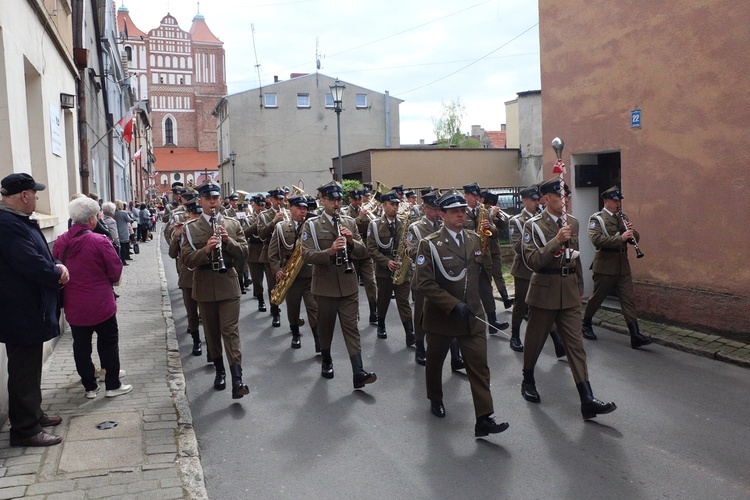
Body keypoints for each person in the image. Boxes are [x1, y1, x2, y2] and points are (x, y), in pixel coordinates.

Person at [520, 176, 616, 420]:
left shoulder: (572, 222)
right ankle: (528, 379)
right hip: (544, 290)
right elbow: (533, 261)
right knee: (535, 341)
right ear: (546, 199)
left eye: (568, 196)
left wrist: (580, 290)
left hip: (569, 291)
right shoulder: (533, 226)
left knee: (576, 345)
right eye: (559, 196)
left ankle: (587, 398)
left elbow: (576, 259)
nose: (565, 201)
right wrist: (556, 241)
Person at [414, 189, 509, 437]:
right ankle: (435, 397)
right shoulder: (430, 243)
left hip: (472, 317)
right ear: (442, 214)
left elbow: (481, 274)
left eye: (463, 210)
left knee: (479, 366)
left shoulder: (474, 239)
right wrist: (452, 304)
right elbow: (423, 284)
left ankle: (484, 418)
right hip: (442, 317)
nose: (460, 214)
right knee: (435, 363)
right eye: (454, 211)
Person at [0, 173, 66, 447]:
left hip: (28, 310)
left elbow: (41, 255)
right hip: (20, 311)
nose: (37, 198)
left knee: (30, 368)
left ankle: (34, 414)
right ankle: (25, 429)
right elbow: (30, 262)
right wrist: (56, 273)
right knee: (23, 372)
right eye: (35, 194)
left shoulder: (17, 221)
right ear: (24, 195)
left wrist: (56, 265)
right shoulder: (7, 224)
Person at [53, 196, 132, 400]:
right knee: (108, 342)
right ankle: (112, 384)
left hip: (74, 304)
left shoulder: (61, 241)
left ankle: (89, 386)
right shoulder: (99, 240)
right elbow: (115, 270)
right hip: (101, 303)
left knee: (81, 346)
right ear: (91, 220)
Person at [300, 181, 377, 390]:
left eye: (338, 200)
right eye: (332, 200)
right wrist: (330, 252)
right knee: (326, 328)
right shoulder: (312, 225)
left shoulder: (349, 222)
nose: (336, 204)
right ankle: (326, 359)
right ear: (323, 200)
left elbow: (363, 252)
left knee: (351, 328)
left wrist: (352, 242)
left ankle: (358, 372)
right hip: (324, 285)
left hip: (348, 284)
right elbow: (306, 255)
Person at [180, 180, 250, 399]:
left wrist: (228, 242)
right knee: (211, 333)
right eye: (208, 199)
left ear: (220, 199)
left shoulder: (232, 224)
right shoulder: (190, 229)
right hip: (204, 284)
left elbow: (244, 253)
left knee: (230, 330)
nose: (212, 202)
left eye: (215, 198)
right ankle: (220, 371)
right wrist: (206, 250)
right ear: (200, 201)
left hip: (228, 284)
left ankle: (237, 378)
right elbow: (187, 260)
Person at [582, 186, 652, 348]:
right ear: (606, 201)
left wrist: (631, 232)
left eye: (619, 200)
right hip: (605, 265)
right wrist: (619, 238)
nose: (618, 203)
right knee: (597, 298)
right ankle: (586, 323)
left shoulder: (623, 217)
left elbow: (635, 239)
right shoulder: (597, 219)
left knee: (628, 300)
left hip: (622, 265)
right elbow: (597, 240)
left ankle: (635, 335)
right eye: (614, 200)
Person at [507, 186, 566, 357]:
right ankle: (515, 335)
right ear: (524, 201)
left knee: (545, 305)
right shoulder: (517, 221)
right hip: (524, 269)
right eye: (532, 200)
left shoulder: (545, 219)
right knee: (520, 305)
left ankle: (557, 340)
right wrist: (538, 243)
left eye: (537, 200)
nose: (536, 203)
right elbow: (517, 247)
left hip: (543, 267)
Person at [268, 194, 319, 351]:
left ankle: (318, 340)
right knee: (293, 307)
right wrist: (277, 270)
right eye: (299, 208)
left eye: (305, 208)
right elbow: (272, 253)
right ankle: (295, 334)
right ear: (291, 209)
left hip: (309, 274)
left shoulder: (312, 226)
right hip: (291, 276)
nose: (303, 211)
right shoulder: (281, 228)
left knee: (313, 308)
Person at [462, 182, 511, 335]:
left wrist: (489, 228)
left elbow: (495, 233)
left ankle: (493, 320)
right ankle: (468, 321)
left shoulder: (484, 211)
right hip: (467, 256)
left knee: (486, 289)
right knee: (468, 290)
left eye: (478, 196)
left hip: (484, 256)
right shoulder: (461, 212)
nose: (477, 199)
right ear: (467, 196)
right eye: (474, 195)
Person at [367, 190, 414, 345]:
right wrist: (386, 262)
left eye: (396, 205)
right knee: (384, 300)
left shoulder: (404, 223)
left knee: (403, 301)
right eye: (392, 204)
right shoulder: (375, 225)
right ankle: (381, 325)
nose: (395, 207)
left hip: (402, 266)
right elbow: (371, 249)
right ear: (384, 205)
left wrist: (409, 246)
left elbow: (412, 245)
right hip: (384, 269)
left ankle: (409, 333)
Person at [168, 198, 205, 357]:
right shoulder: (183, 229)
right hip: (188, 275)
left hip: (205, 274)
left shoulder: (209, 227)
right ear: (188, 214)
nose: (196, 216)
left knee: (205, 312)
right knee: (191, 312)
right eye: (194, 213)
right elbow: (172, 254)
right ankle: (196, 340)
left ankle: (210, 343)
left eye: (199, 213)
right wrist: (176, 235)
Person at [343, 188, 378, 324]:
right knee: (353, 285)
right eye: (355, 199)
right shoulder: (346, 212)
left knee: (371, 282)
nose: (358, 202)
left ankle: (373, 311)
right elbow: (348, 227)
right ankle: (354, 312)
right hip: (353, 252)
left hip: (366, 251)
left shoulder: (367, 209)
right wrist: (360, 217)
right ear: (350, 199)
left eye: (360, 199)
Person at [257, 188, 288, 327]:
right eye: (278, 199)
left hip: (286, 252)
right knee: (272, 284)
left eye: (282, 199)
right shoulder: (264, 215)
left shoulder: (288, 212)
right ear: (271, 200)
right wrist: (274, 221)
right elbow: (262, 234)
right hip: (270, 252)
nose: (280, 202)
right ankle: (275, 311)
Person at [245, 194, 268, 311]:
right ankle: (261, 301)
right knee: (257, 281)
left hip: (267, 250)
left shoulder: (268, 217)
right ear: (253, 205)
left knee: (272, 280)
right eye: (259, 205)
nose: (261, 208)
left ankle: (274, 305)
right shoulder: (248, 218)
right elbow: (245, 233)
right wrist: (257, 223)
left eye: (263, 205)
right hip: (254, 251)